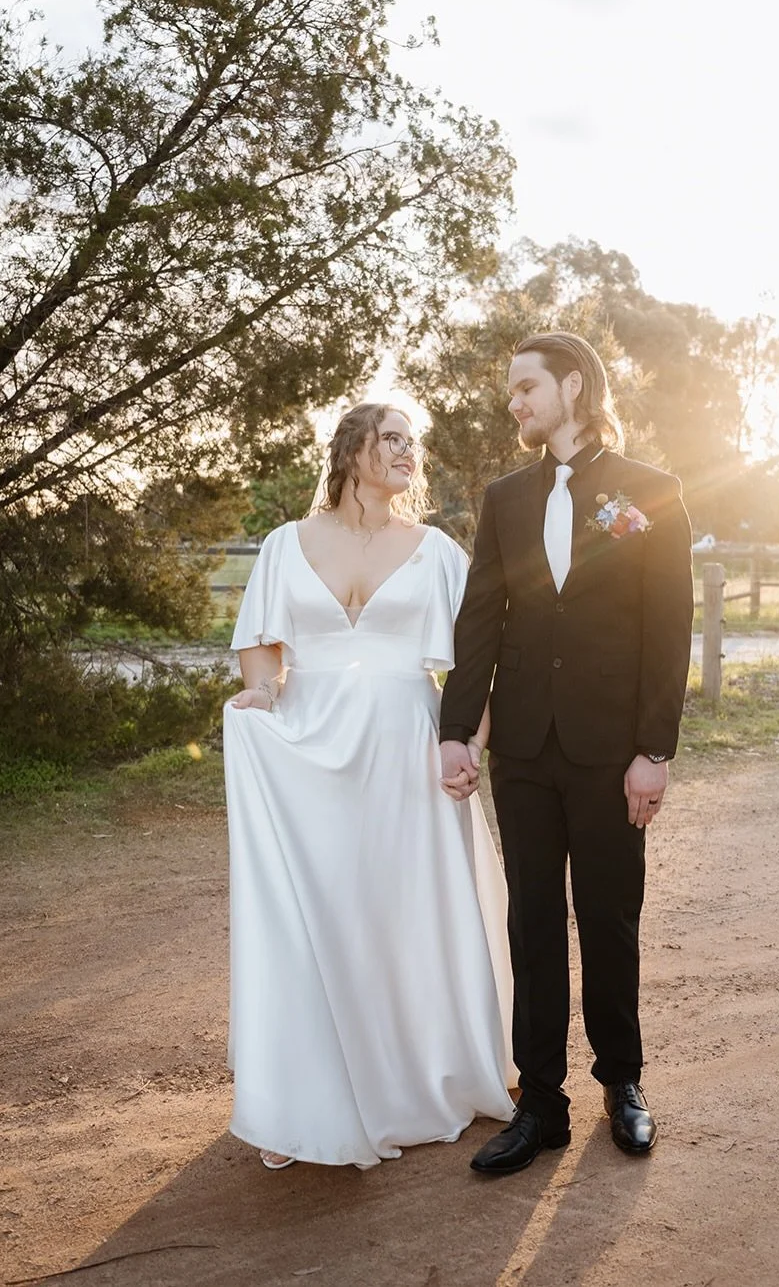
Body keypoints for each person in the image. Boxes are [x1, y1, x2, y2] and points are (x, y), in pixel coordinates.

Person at [222, 402, 515, 1171]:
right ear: (352, 450)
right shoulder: (287, 545)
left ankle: (417, 1075)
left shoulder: (436, 551)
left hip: (407, 748)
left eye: (411, 443)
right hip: (313, 754)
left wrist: (469, 747)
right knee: (325, 910)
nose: (407, 452)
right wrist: (264, 699)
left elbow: (474, 665)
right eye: (391, 439)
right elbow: (264, 656)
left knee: (404, 910)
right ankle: (320, 1088)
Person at [439, 332, 694, 1175]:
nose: (513, 403)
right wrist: (455, 728)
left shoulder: (648, 492)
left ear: (572, 388)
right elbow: (481, 618)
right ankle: (540, 1102)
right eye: (512, 390)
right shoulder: (504, 498)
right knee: (534, 921)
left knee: (611, 916)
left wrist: (653, 749)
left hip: (609, 749)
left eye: (525, 388)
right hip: (523, 748)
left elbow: (668, 627)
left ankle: (623, 1084)